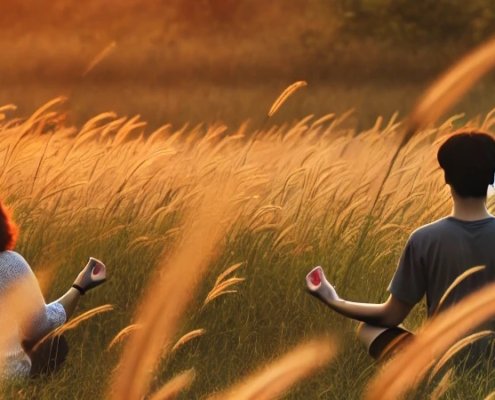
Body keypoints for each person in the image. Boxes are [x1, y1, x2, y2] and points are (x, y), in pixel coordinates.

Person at [306, 130, 495, 361]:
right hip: (490, 365)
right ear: (491, 178)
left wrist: (334, 299)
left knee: (369, 328)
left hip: (437, 363)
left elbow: (390, 316)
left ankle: (418, 376)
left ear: (446, 178)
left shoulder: (424, 238)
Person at [0, 202, 107, 378]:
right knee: (55, 345)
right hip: (11, 377)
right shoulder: (10, 265)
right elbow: (40, 327)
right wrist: (79, 287)